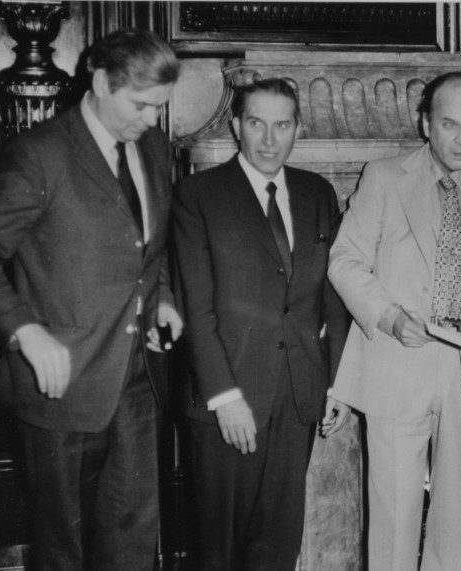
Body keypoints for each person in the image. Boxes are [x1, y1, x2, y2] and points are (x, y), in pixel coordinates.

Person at [327, 72, 461, 569]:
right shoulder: (383, 177)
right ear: (426, 123)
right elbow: (345, 260)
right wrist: (390, 317)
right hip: (397, 370)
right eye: (450, 125)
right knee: (393, 528)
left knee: (453, 530)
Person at [0, 29, 182, 569]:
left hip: (137, 378)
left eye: (159, 106)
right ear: (100, 83)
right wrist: (25, 330)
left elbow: (150, 248)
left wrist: (163, 299)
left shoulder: (153, 147)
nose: (151, 119)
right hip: (62, 386)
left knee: (132, 539)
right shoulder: (37, 155)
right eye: (140, 105)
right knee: (62, 547)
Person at [171, 77, 349, 570]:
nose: (269, 140)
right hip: (228, 402)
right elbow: (194, 306)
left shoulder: (317, 193)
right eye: (256, 124)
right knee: (219, 552)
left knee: (278, 545)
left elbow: (332, 296)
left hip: (297, 397)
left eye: (282, 125)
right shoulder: (198, 195)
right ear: (236, 127)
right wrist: (224, 397)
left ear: (298, 129)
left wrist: (336, 381)